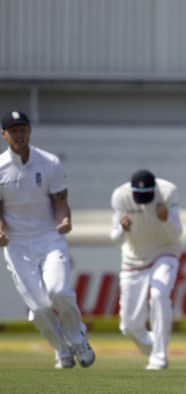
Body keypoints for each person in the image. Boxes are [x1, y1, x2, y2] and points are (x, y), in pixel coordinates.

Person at [0, 110, 95, 369]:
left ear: (29, 131)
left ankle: (78, 340)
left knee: (59, 291)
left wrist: (64, 220)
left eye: (23, 129)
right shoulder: (0, 168)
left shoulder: (49, 162)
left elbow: (61, 201)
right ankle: (61, 349)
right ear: (4, 134)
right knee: (40, 308)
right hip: (17, 246)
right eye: (14, 130)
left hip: (49, 238)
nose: (19, 134)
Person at [110, 169, 182, 370]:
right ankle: (156, 346)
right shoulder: (120, 196)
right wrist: (122, 229)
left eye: (147, 196)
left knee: (159, 294)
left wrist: (165, 218)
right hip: (133, 260)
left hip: (165, 252)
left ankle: (159, 356)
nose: (143, 201)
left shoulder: (168, 192)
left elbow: (177, 234)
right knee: (129, 327)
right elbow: (115, 239)